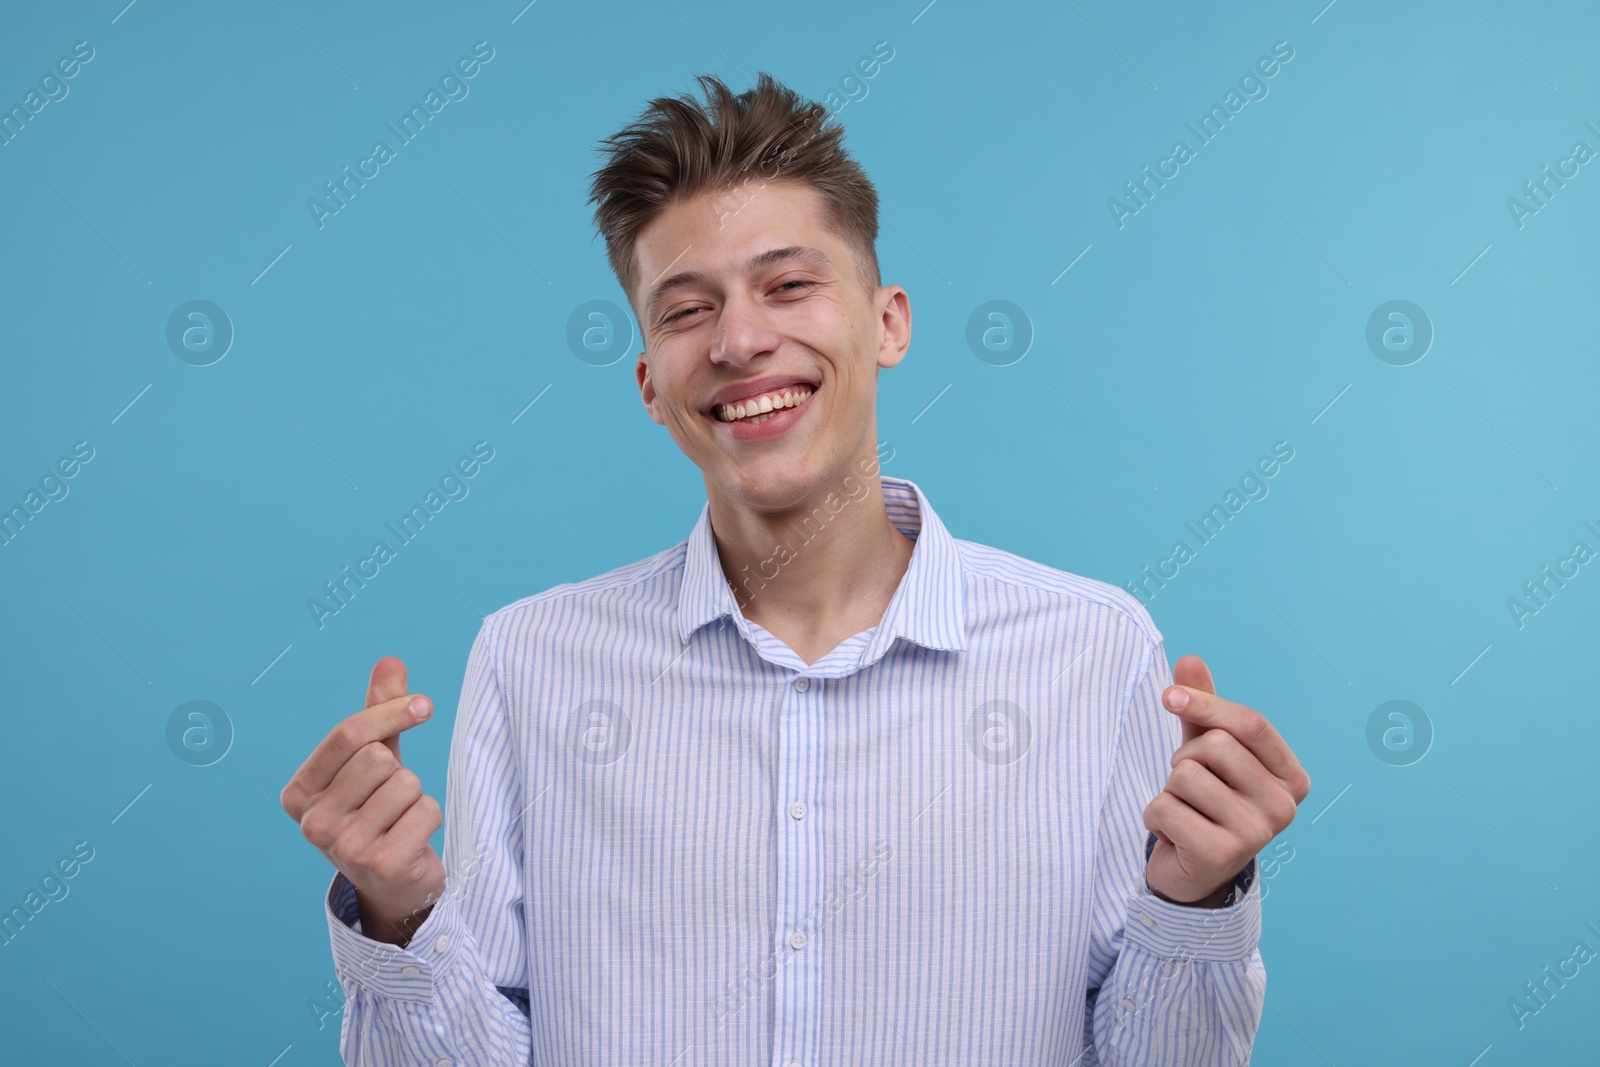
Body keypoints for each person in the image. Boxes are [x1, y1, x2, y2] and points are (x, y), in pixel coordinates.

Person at [280, 71, 1311, 1065]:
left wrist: (1195, 901)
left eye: (788, 284)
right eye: (686, 310)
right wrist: (401, 912)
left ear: (887, 322)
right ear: (649, 382)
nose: (738, 338)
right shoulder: (529, 659)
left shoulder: (1096, 650)